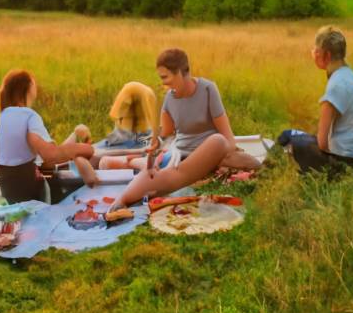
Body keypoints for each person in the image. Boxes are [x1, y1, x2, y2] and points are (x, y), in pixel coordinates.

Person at [108, 48, 259, 210]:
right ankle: (128, 169)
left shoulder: (208, 89)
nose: (163, 82)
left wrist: (218, 159)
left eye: (165, 77)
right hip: (181, 156)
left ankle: (133, 166)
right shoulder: (169, 99)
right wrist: (154, 144)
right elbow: (165, 134)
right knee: (154, 175)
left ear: (180, 72)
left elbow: (227, 138)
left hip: (211, 151)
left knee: (225, 146)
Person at [279, 25, 353, 177]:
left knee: (288, 137)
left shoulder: (335, 87)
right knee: (301, 137)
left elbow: (322, 143)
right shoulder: (349, 74)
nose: (313, 54)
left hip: (346, 161)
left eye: (316, 51)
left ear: (327, 56)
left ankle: (304, 174)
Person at [0, 69, 97, 204]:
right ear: (28, 88)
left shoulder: (5, 114)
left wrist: (74, 138)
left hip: (9, 189)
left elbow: (40, 154)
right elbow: (50, 155)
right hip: (27, 190)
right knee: (75, 188)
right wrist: (84, 149)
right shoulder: (28, 116)